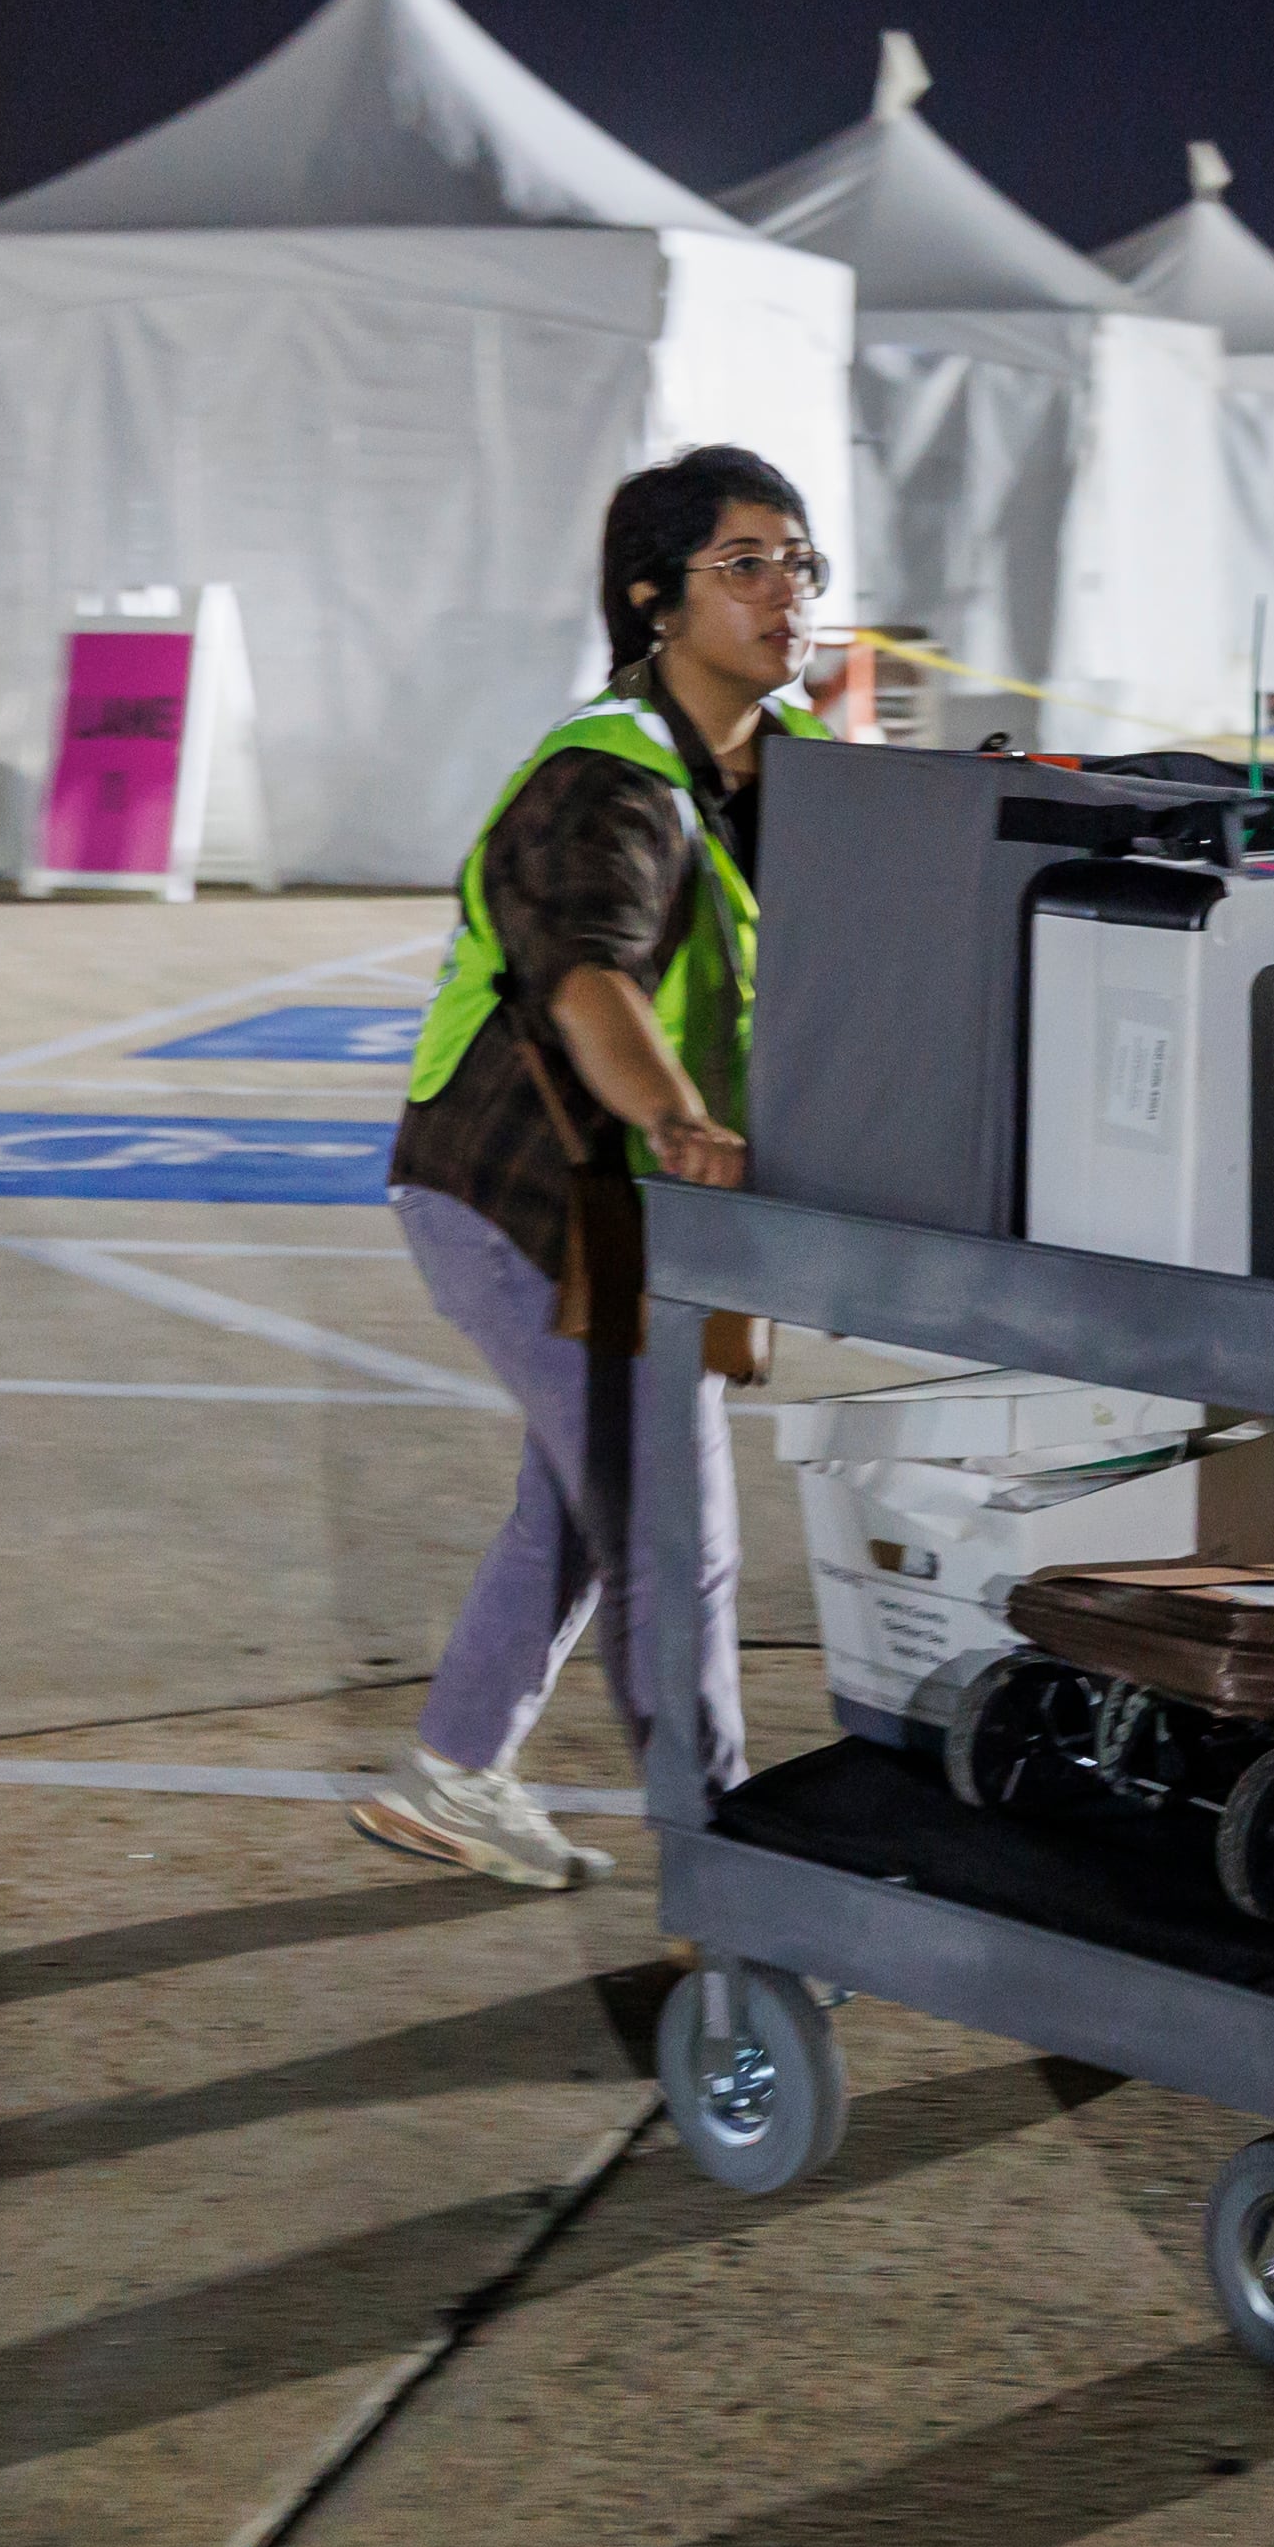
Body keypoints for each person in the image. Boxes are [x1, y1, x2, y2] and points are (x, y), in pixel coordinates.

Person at [350, 446, 832, 1888]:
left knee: (580, 1502)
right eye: (740, 564)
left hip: (633, 1201)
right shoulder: (605, 780)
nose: (781, 594)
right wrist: (681, 1115)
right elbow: (585, 979)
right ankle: (722, 1881)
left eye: (797, 562)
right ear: (651, 599)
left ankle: (452, 1768)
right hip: (521, 1194)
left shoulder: (782, 762)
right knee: (669, 1538)